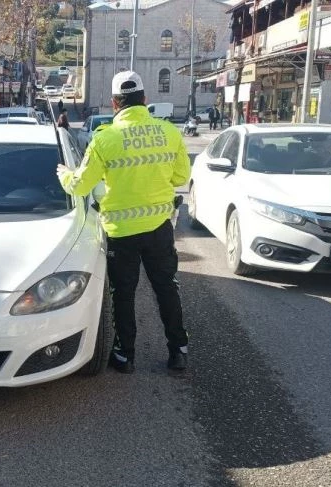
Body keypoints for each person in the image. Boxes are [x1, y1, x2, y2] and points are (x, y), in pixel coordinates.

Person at [56, 71, 191, 373]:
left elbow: (79, 186)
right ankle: (178, 350)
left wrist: (65, 173)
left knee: (123, 294)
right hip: (159, 229)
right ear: (145, 99)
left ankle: (124, 355)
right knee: (167, 288)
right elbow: (181, 177)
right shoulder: (169, 133)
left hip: (121, 234)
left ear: (114, 103)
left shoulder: (105, 139)